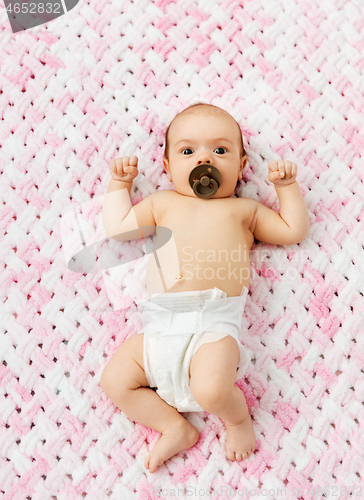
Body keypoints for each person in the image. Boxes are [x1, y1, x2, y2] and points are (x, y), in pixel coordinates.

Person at [100, 103, 310, 473]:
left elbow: (293, 231)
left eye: (220, 150)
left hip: (212, 324)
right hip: (159, 325)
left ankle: (238, 420)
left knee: (212, 391)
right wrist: (120, 185)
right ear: (167, 167)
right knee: (115, 381)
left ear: (242, 167)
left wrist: (287, 188)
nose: (204, 159)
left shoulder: (244, 210)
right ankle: (173, 426)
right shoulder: (162, 203)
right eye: (187, 151)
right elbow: (118, 226)